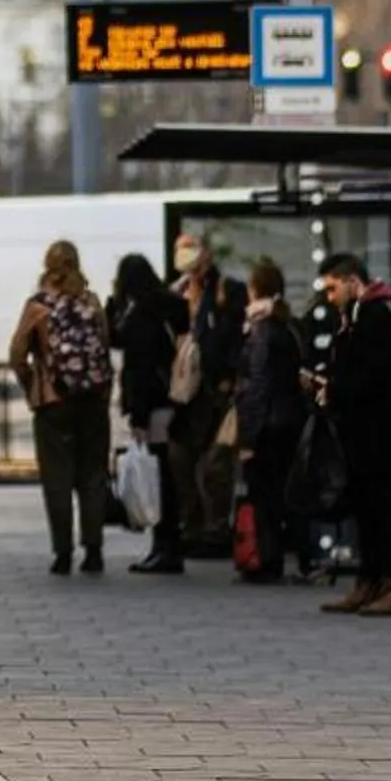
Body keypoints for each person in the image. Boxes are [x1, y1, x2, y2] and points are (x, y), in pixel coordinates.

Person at [10, 240, 113, 577]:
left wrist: (34, 386)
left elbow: (17, 355)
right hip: (93, 401)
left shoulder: (37, 306)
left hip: (53, 403)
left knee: (58, 478)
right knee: (93, 476)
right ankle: (94, 550)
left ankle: (63, 554)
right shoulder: (92, 301)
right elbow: (105, 347)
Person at [318, 251, 391, 618]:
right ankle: (369, 579)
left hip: (379, 433)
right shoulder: (354, 319)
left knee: (383, 508)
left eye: (333, 288)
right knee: (366, 510)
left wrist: (336, 389)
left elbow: (371, 378)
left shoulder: (377, 319)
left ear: (352, 282)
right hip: (360, 432)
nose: (330, 296)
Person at [108, 251, 186, 574]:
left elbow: (137, 364)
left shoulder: (142, 314)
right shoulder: (172, 305)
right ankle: (168, 544)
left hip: (152, 405)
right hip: (174, 399)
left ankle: (164, 545)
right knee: (168, 475)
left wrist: (137, 416)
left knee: (158, 476)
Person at [170, 230, 247, 550]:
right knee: (181, 458)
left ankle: (216, 526)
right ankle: (193, 522)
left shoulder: (227, 291)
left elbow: (231, 336)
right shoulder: (177, 292)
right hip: (185, 390)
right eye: (180, 249)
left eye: (190, 248)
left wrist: (229, 376)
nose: (184, 254)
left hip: (215, 387)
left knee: (216, 460)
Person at [234, 257, 306, 584]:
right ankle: (296, 555)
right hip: (289, 419)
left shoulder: (260, 329)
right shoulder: (288, 325)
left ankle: (267, 558)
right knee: (282, 493)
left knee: (263, 495)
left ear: (254, 290)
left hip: (267, 424)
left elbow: (258, 384)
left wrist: (248, 437)